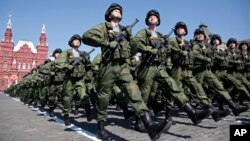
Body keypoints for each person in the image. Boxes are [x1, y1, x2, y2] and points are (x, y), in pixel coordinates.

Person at [82, 3, 166, 141]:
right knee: (104, 96)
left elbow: (132, 50)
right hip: (108, 65)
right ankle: (100, 128)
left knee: (134, 92)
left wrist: (131, 39)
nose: (118, 12)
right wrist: (106, 43)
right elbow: (86, 36)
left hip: (123, 66)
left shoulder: (124, 30)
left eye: (120, 11)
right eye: (115, 10)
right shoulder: (103, 26)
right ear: (110, 14)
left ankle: (149, 125)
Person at [192, 29, 248, 116]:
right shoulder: (195, 45)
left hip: (208, 70)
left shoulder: (207, 47)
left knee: (219, 87)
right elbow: (197, 55)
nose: (200, 35)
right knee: (197, 92)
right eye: (198, 34)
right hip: (199, 71)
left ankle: (234, 108)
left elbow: (212, 58)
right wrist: (210, 56)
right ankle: (195, 111)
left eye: (202, 34)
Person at [55, 34, 92, 126]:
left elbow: (88, 66)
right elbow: (58, 63)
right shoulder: (67, 52)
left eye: (79, 41)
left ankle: (88, 113)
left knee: (84, 95)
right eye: (75, 40)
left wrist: (86, 59)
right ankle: (66, 116)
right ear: (71, 42)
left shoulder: (82, 53)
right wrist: (68, 66)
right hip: (69, 78)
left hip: (80, 78)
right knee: (67, 97)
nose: (77, 42)